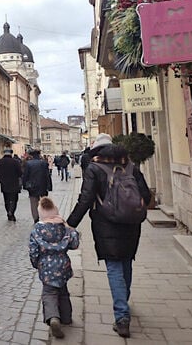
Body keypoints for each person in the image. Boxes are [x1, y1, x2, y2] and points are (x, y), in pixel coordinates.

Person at [67, 136, 151, 338]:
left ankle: (122, 317)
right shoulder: (130, 167)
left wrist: (70, 224)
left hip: (106, 225)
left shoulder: (94, 169)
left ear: (97, 151)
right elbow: (146, 195)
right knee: (126, 261)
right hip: (131, 224)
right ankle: (124, 301)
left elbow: (85, 199)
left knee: (113, 266)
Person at [29, 197, 80, 339]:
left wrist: (36, 263)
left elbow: (33, 251)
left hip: (46, 268)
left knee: (49, 294)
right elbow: (75, 243)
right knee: (63, 292)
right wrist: (72, 230)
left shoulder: (37, 231)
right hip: (63, 266)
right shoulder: (63, 227)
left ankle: (53, 318)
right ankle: (66, 317)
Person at [23, 149, 53, 223]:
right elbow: (47, 175)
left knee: (33, 203)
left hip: (32, 186)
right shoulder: (44, 163)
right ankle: (45, 216)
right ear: (39, 155)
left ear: (32, 155)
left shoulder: (28, 163)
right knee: (44, 202)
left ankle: (36, 218)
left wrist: (24, 185)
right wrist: (49, 186)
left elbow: (25, 176)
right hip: (43, 185)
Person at [0, 148, 22, 222]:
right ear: (11, 153)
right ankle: (11, 212)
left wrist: (0, 179)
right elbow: (20, 173)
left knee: (6, 199)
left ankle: (8, 212)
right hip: (14, 183)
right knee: (14, 199)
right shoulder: (16, 162)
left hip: (4, 183)